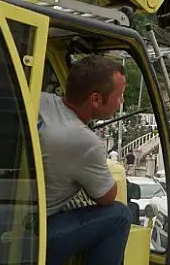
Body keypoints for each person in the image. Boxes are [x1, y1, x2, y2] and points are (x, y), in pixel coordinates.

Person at [38, 55, 132, 265]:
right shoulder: (83, 141)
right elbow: (106, 197)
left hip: (6, 215)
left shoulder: (40, 99)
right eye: (120, 95)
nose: (121, 102)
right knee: (119, 216)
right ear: (96, 99)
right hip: (32, 234)